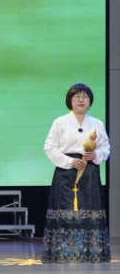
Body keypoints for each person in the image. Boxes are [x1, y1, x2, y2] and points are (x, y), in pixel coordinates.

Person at [41, 83, 110, 262]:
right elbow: (49, 147)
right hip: (66, 172)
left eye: (84, 96)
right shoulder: (60, 122)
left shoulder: (97, 123)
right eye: (76, 97)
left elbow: (105, 147)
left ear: (90, 101)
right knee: (66, 209)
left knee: (89, 208)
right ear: (70, 100)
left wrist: (96, 155)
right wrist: (70, 161)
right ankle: (63, 253)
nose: (81, 100)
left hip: (89, 171)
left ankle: (90, 252)